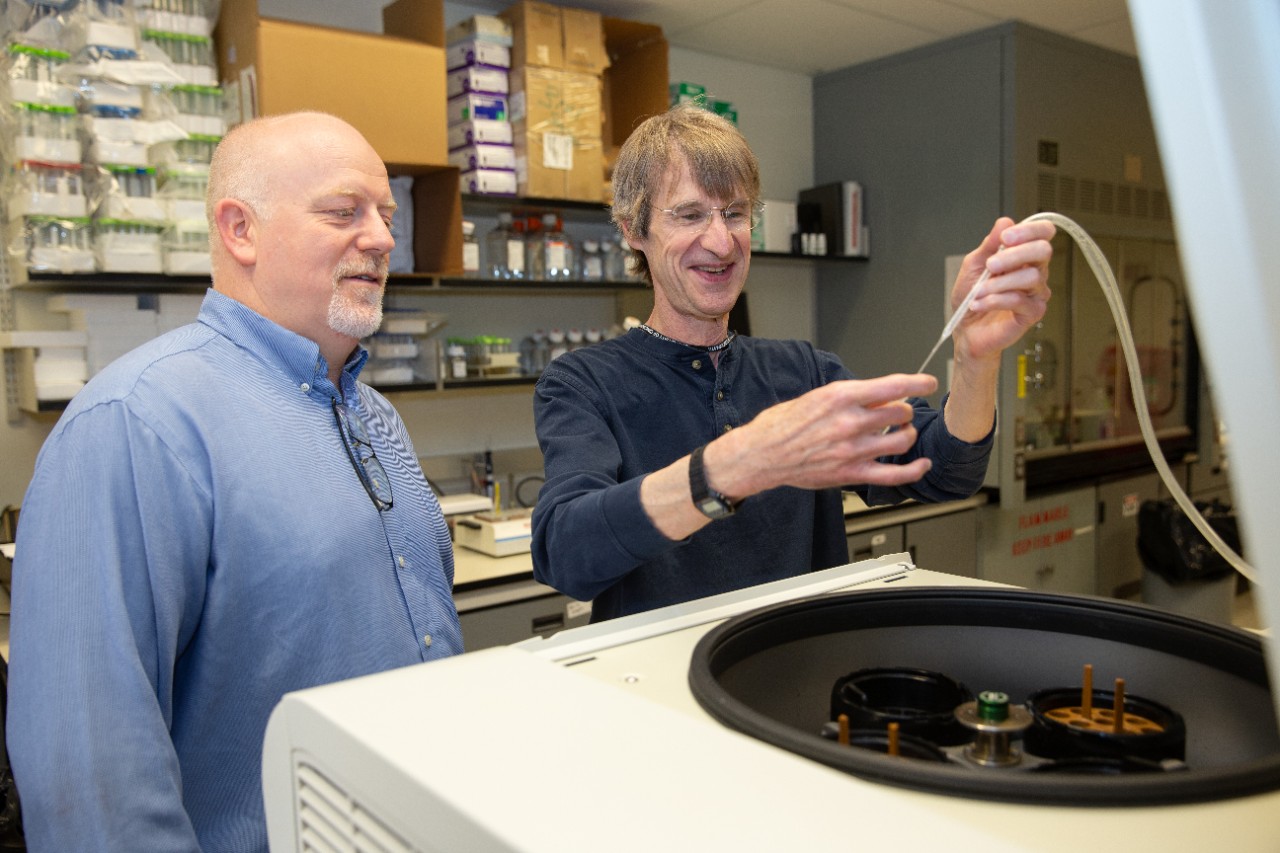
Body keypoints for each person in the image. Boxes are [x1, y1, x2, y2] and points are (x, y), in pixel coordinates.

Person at [6, 112, 463, 852]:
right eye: (343, 211)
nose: (382, 237)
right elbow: (92, 783)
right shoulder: (135, 423)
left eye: (385, 213)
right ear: (240, 229)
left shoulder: (373, 414)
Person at [531, 104, 1055, 622]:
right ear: (633, 230)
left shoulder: (802, 372)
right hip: (659, 672)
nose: (721, 242)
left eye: (734, 213)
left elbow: (945, 471)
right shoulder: (583, 383)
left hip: (796, 664)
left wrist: (974, 358)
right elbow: (564, 553)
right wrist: (735, 465)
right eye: (690, 215)